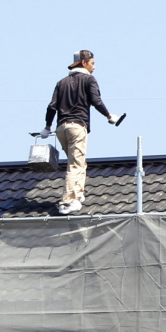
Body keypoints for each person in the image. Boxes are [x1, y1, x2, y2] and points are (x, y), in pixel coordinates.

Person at [42, 50, 122, 215]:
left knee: (79, 162)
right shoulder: (89, 79)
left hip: (61, 128)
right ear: (84, 63)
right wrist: (109, 116)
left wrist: (47, 127)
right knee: (75, 164)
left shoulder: (61, 82)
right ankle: (67, 202)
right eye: (92, 63)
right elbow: (95, 100)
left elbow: (52, 106)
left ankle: (78, 193)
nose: (94, 67)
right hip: (77, 127)